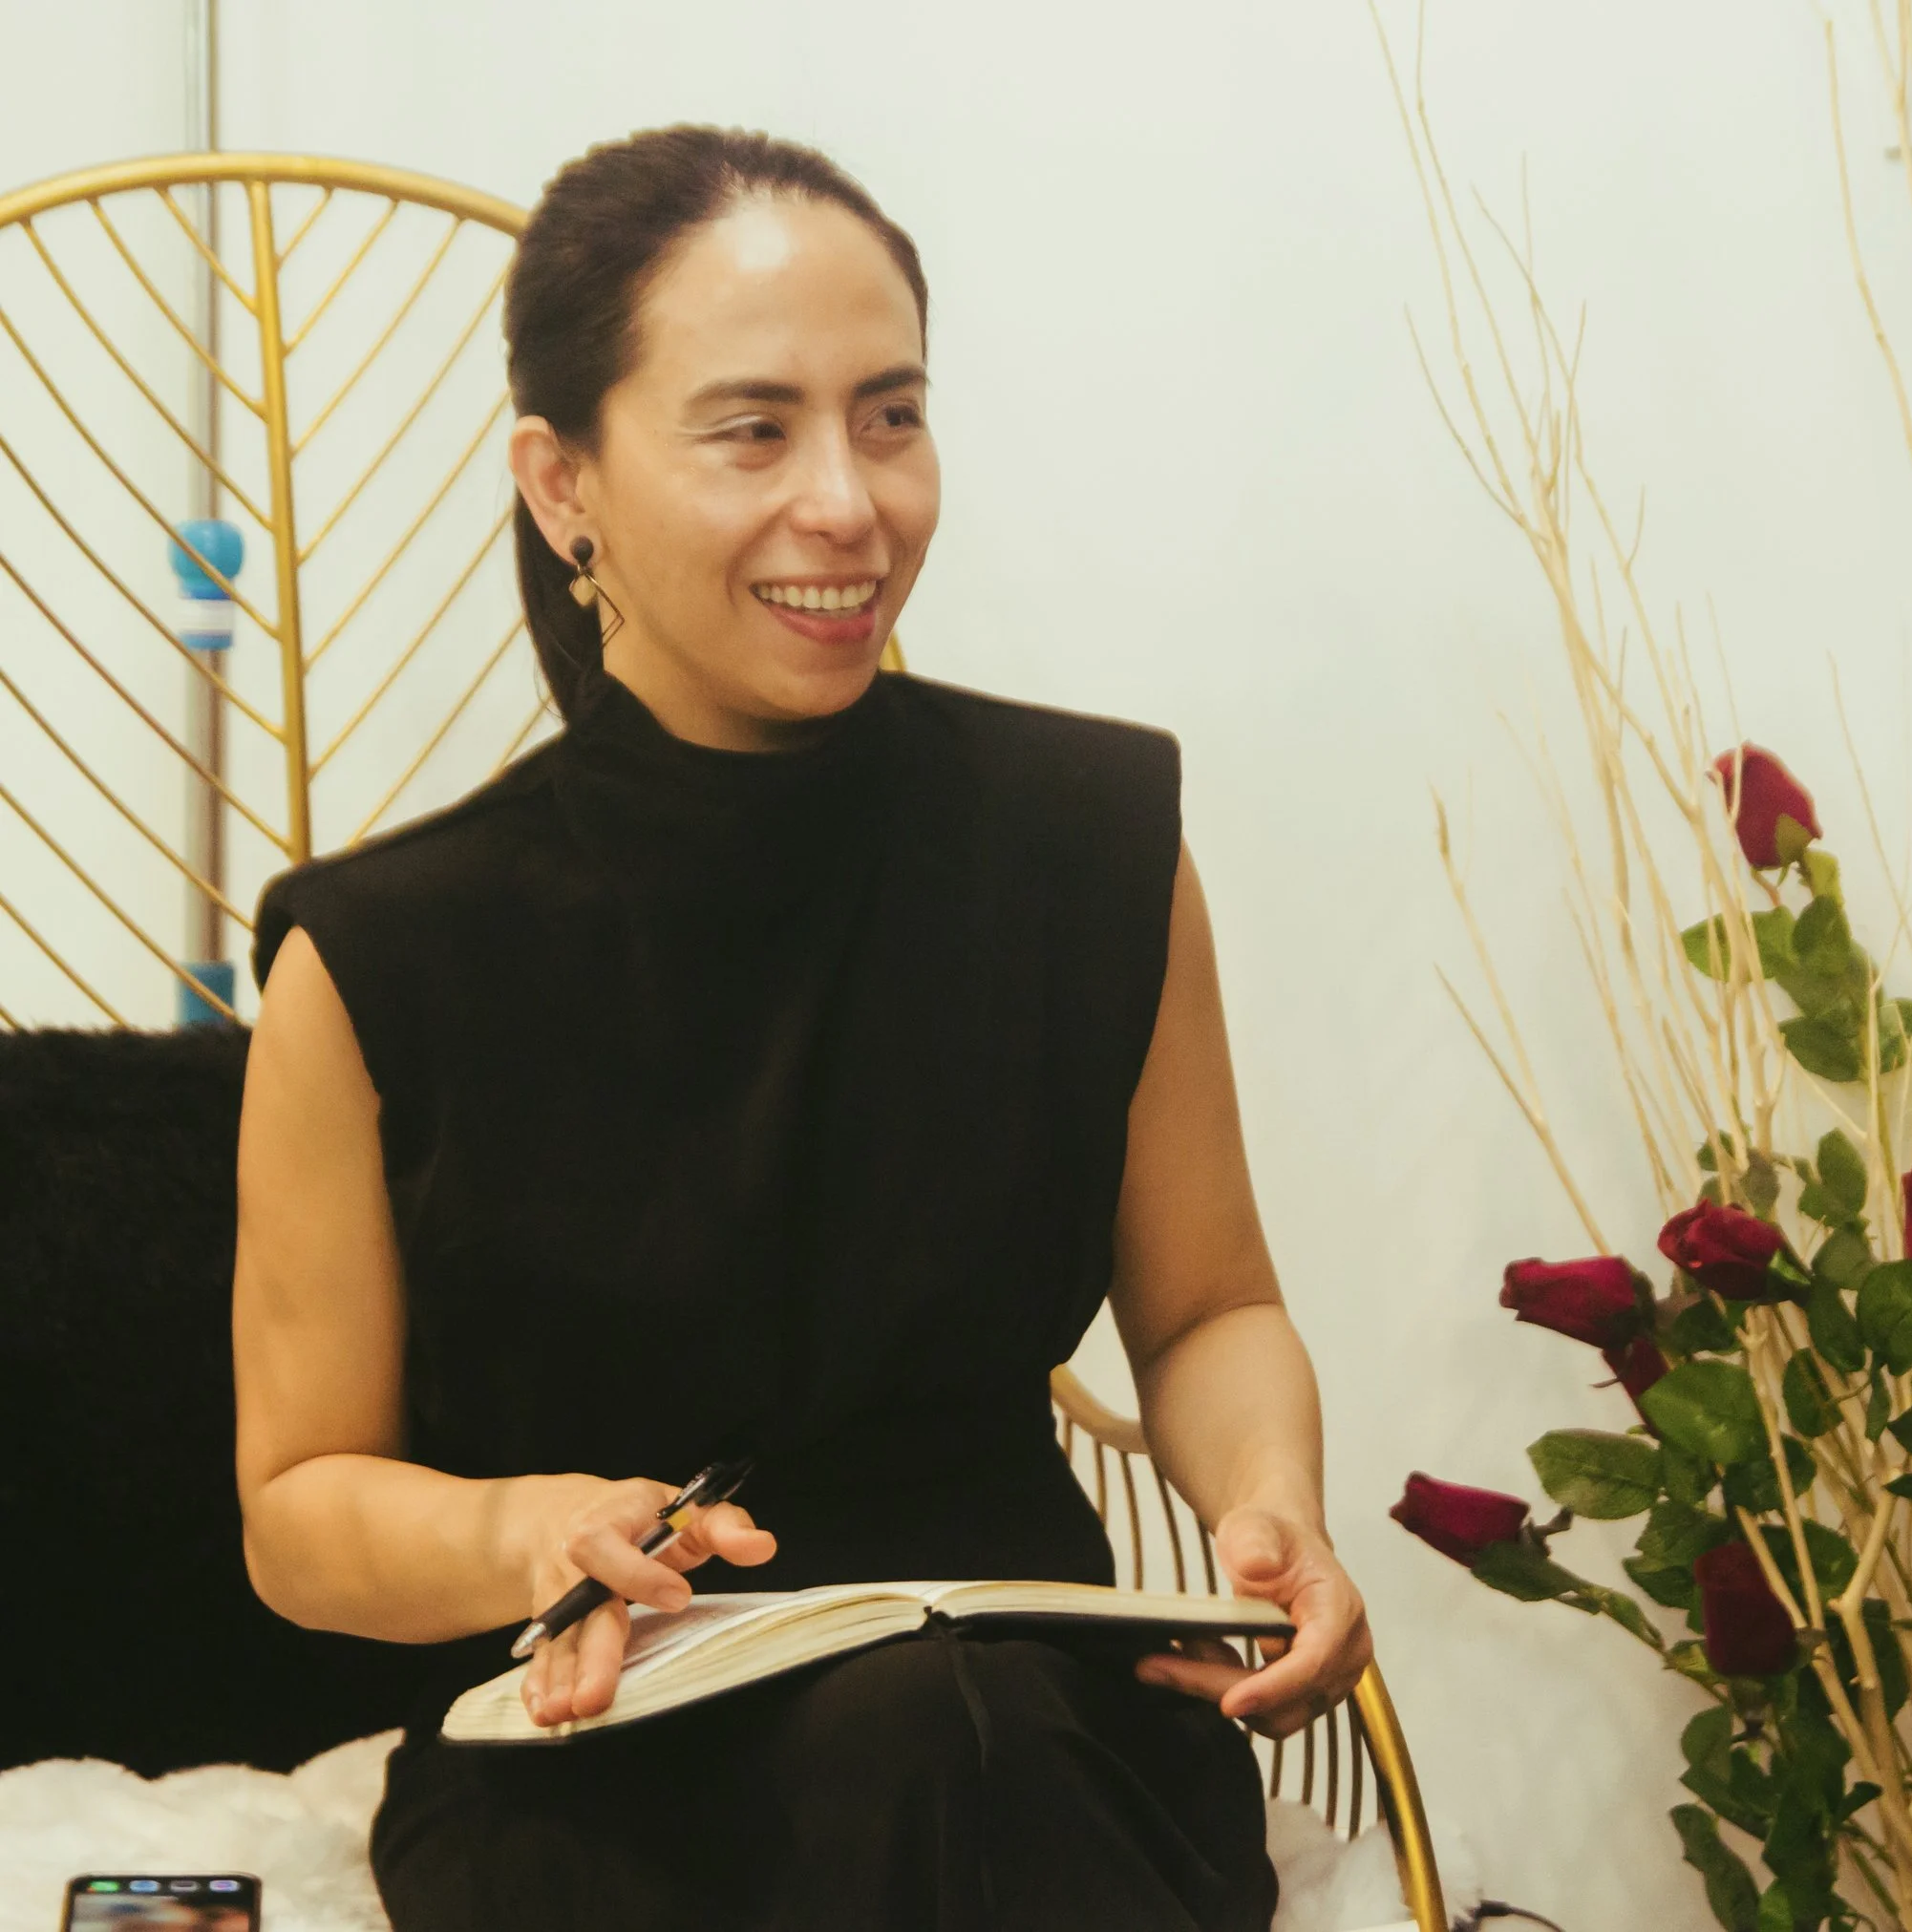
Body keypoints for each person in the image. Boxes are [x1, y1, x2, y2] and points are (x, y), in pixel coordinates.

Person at [229, 125, 1370, 1931]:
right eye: (753, 429)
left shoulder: (1088, 848)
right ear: (563, 482)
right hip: (606, 1749)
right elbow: (298, 1502)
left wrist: (1273, 1499)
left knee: (937, 1742)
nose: (849, 501)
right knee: (900, 1761)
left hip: (1032, 1724)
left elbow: (1211, 1303)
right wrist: (533, 1530)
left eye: (892, 416)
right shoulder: (385, 957)